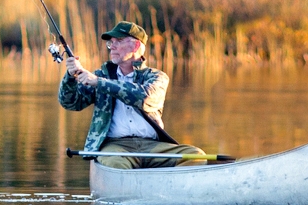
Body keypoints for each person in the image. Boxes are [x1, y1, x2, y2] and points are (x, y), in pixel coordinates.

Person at [58, 21, 212, 169]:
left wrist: (100, 83)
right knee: (117, 165)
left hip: (153, 146)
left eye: (118, 41)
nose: (112, 47)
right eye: (111, 42)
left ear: (136, 45)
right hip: (115, 146)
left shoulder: (156, 77)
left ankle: (168, 188)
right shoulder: (99, 75)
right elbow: (71, 102)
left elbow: (144, 98)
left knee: (196, 156)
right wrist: (70, 76)